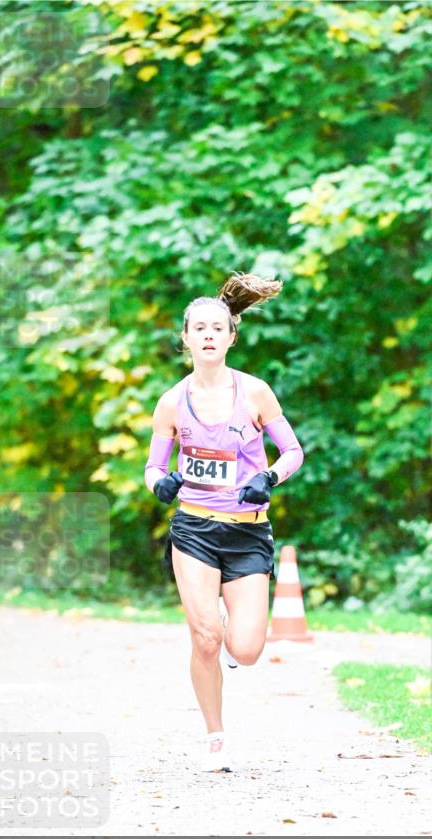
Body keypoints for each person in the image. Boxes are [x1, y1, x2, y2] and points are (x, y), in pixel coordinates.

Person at [143, 272, 304, 773]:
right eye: (200, 328)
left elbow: (294, 451)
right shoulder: (172, 401)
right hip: (193, 529)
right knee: (206, 636)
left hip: (247, 531)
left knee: (247, 649)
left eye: (218, 327)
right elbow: (153, 466)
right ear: (186, 338)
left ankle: (238, 641)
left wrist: (270, 478)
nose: (209, 335)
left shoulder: (255, 393)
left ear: (232, 336)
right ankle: (215, 737)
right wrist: (160, 485)